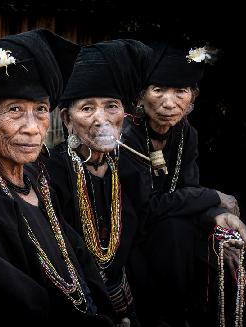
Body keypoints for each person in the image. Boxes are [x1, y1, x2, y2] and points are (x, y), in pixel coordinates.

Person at [0, 29, 116, 326]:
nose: (32, 127)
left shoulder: (36, 177)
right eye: (15, 110)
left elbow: (75, 253)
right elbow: (23, 305)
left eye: (40, 110)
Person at [123, 41, 246, 326]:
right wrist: (214, 197)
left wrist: (217, 215)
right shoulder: (126, 136)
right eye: (158, 90)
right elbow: (146, 208)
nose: (169, 103)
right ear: (141, 96)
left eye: (180, 92)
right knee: (175, 229)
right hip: (132, 239)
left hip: (173, 242)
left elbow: (186, 190)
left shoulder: (186, 134)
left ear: (192, 98)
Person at [45, 39, 152, 326]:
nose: (101, 119)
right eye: (88, 108)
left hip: (126, 296)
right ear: (67, 119)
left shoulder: (130, 167)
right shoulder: (51, 174)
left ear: (123, 115)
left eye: (111, 106)